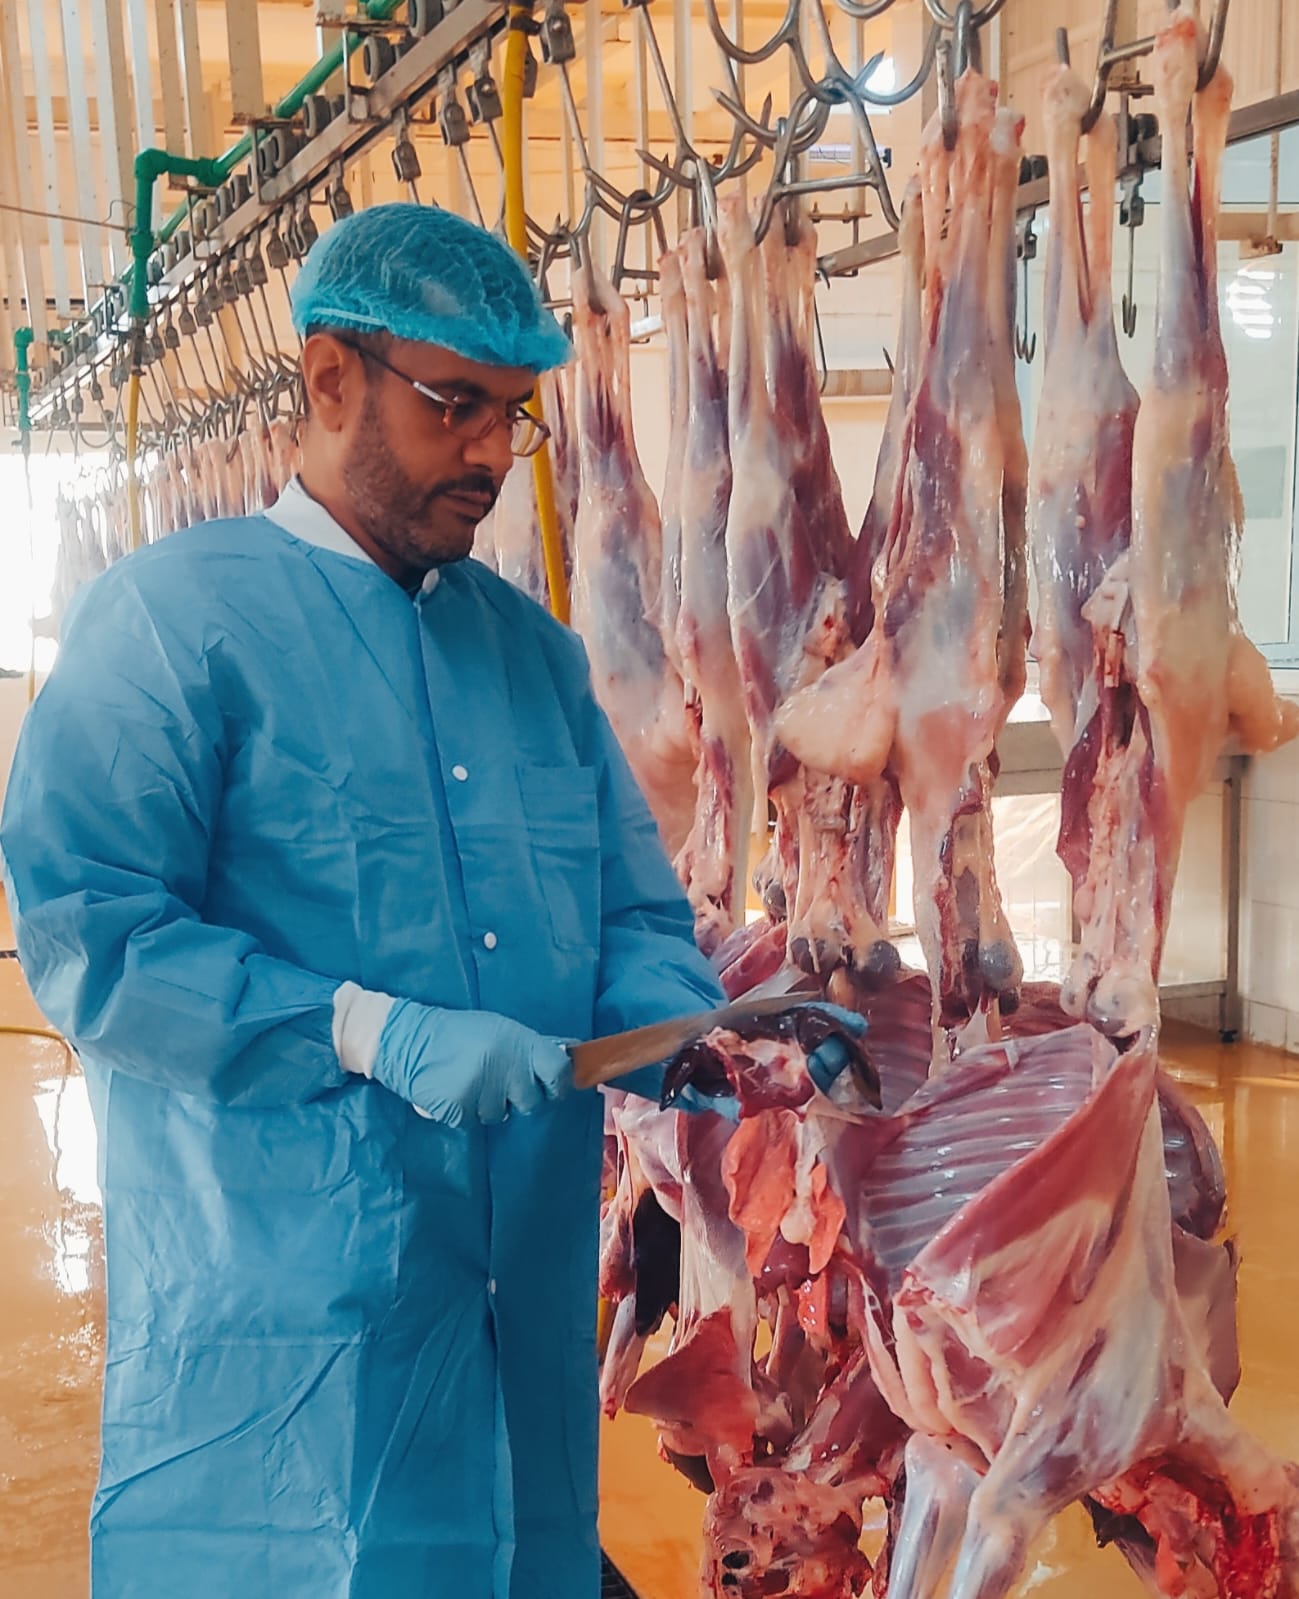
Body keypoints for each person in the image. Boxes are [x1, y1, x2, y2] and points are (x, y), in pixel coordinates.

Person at [1, 206, 734, 1598]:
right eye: (456, 406)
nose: (494, 455)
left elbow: (634, 914)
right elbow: (93, 939)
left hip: (519, 1328)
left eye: (513, 416)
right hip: (290, 1337)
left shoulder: (533, 657)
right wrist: (365, 1031)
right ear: (331, 379)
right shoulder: (168, 627)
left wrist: (686, 1029)